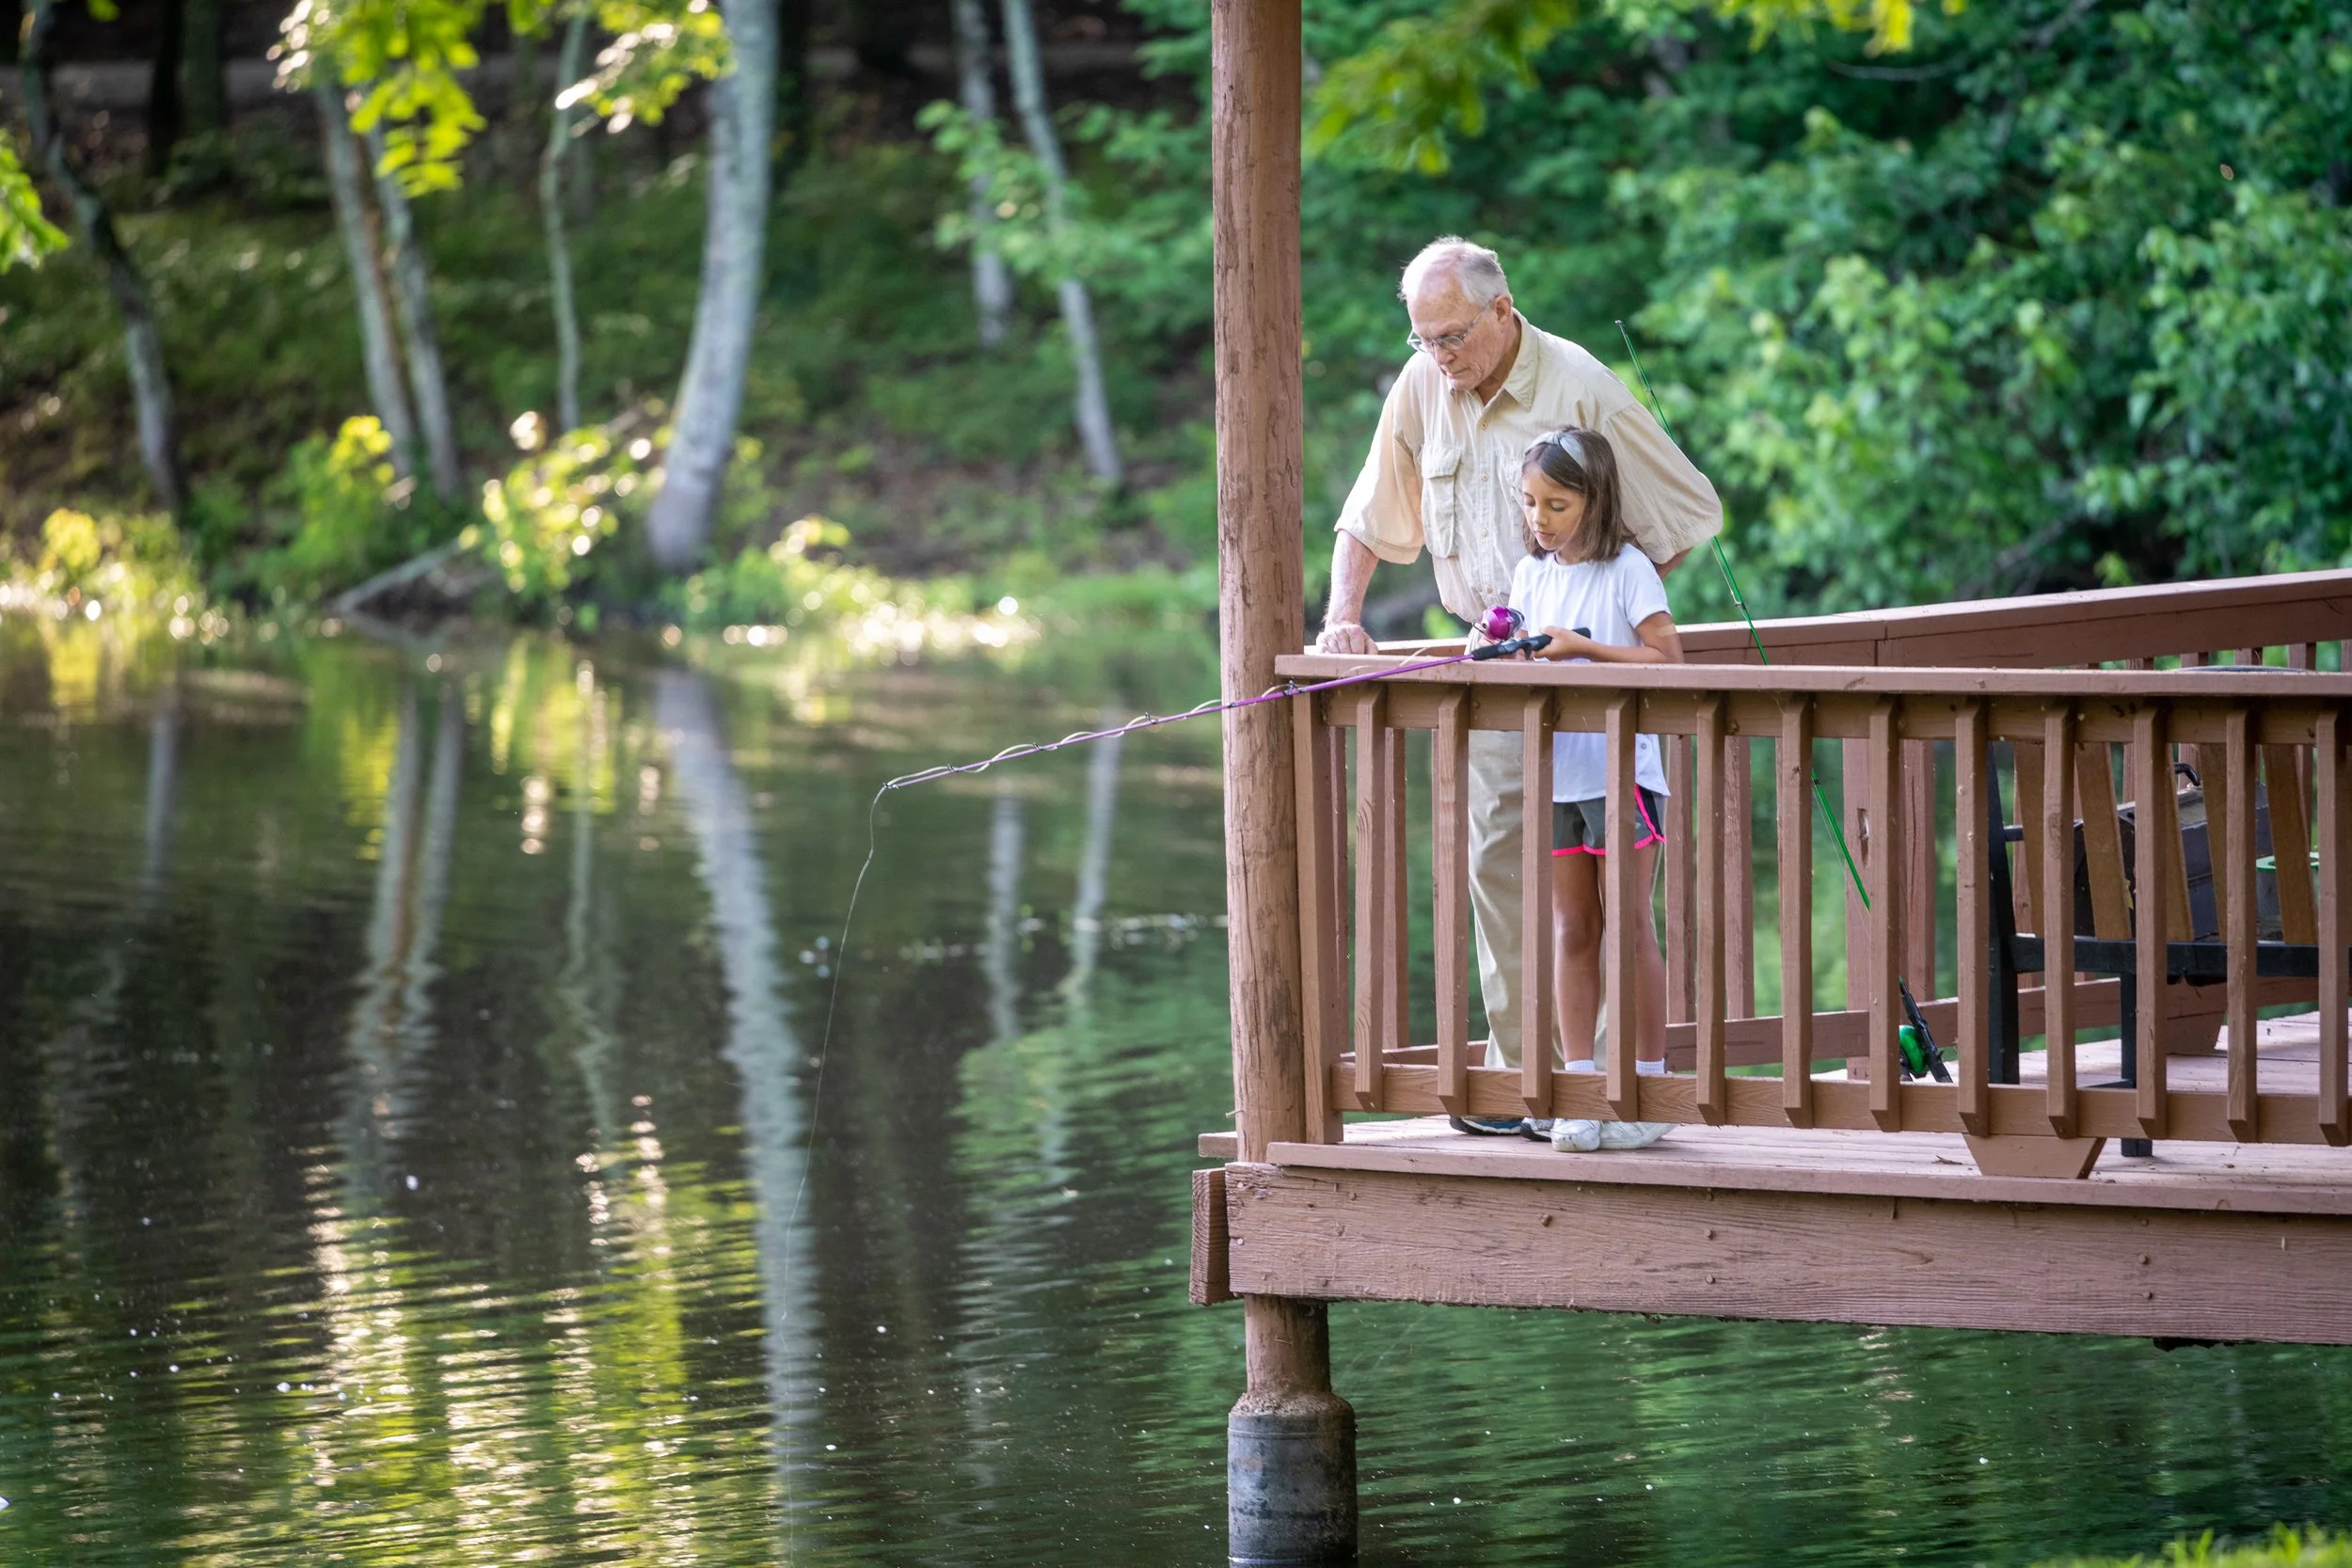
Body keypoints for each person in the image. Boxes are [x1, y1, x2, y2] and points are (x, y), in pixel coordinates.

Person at [1319, 237, 1721, 1134]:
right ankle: (1529, 1085)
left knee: (1613, 902)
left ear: (1503, 312)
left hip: (1591, 693)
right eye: (1425, 338)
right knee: (1503, 876)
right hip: (1496, 678)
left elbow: (1687, 514)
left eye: (1453, 335)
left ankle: (1620, 1086)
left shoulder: (1575, 381)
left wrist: (1596, 602)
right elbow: (1369, 510)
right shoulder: (1422, 383)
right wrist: (1343, 612)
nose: (1440, 355)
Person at [1506, 426, 1681, 1152]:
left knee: (1627, 923)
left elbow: (1667, 659)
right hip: (1559, 777)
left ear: (1594, 498)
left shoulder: (1628, 568)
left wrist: (1583, 649)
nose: (1539, 520)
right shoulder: (1529, 576)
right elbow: (1522, 649)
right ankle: (1582, 1088)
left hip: (1625, 775)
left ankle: (1647, 1085)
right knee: (1573, 929)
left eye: (1555, 504)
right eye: (1530, 504)